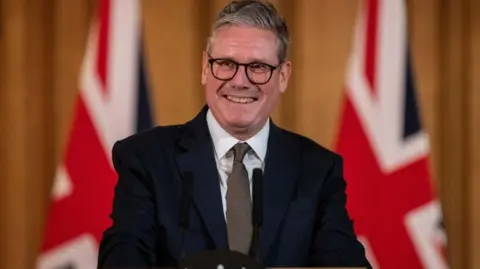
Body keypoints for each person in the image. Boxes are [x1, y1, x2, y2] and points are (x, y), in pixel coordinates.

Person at [97, 0, 371, 268]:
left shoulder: (317, 169)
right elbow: (123, 256)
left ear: (283, 76)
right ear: (206, 67)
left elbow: (345, 262)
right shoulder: (148, 158)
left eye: (258, 67)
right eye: (226, 64)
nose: (240, 82)